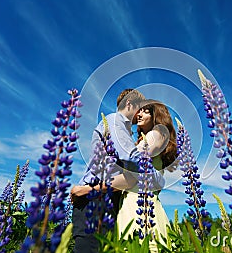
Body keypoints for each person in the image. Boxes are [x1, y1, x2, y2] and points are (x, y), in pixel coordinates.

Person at [71, 90, 165, 253]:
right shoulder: (115, 121)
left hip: (106, 199)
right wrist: (156, 177)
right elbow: (133, 159)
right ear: (130, 104)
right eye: (140, 108)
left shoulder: (130, 132)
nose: (140, 114)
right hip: (93, 200)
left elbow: (130, 176)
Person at [116, 100, 177, 251]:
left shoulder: (158, 134)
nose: (139, 113)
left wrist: (97, 187)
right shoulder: (145, 138)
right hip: (133, 202)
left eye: (145, 111)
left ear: (156, 114)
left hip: (143, 204)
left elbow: (133, 161)